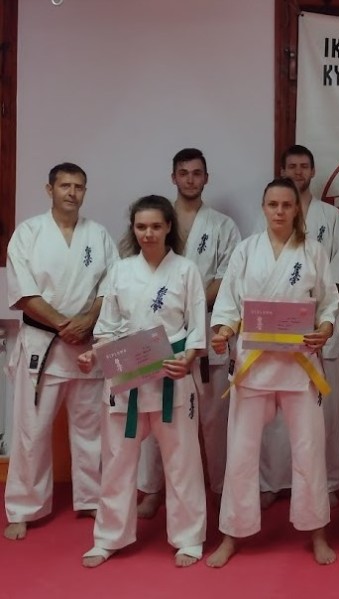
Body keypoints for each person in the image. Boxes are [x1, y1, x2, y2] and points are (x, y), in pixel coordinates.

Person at [206, 177, 338, 568]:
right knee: (241, 453)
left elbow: (329, 304)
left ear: (297, 209)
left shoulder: (313, 252)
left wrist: (325, 329)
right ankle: (232, 533)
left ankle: (317, 531)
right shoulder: (246, 251)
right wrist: (223, 332)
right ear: (263, 208)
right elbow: (228, 304)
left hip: (300, 366)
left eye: (286, 205)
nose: (280, 211)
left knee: (309, 451)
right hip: (254, 366)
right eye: (273, 204)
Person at [80, 195, 207, 567]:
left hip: (171, 375)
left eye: (155, 226)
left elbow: (197, 327)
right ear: (133, 229)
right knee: (117, 462)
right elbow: (106, 328)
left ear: (168, 227)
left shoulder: (186, 270)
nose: (148, 233)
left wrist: (188, 359)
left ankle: (189, 537)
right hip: (128, 375)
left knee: (182, 462)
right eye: (141, 227)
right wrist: (94, 353)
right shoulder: (120, 271)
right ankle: (109, 537)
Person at [4, 163, 117, 541]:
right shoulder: (29, 233)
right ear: (49, 189)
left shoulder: (98, 235)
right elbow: (24, 291)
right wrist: (63, 324)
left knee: (91, 428)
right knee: (31, 430)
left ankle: (92, 498)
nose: (72, 192)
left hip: (86, 345)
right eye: (65, 185)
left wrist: (87, 320)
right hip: (44, 344)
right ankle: (23, 507)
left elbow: (110, 286)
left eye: (79, 186)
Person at [136, 148, 241, 519]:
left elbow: (227, 277)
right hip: (159, 331)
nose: (191, 179)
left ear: (206, 178)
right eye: (184, 173)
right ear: (173, 177)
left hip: (207, 327)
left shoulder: (223, 226)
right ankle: (152, 489)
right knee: (154, 413)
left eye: (197, 173)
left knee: (214, 417)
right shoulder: (157, 221)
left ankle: (221, 487)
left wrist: (191, 305)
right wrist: (177, 309)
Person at [259, 144, 339, 509]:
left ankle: (325, 481)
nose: (298, 172)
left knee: (323, 410)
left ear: (313, 172)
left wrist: (317, 321)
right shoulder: (269, 217)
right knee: (275, 413)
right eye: (292, 166)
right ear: (283, 170)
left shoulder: (331, 217)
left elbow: (338, 275)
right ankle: (274, 479)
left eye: (304, 166)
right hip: (277, 334)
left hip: (317, 331)